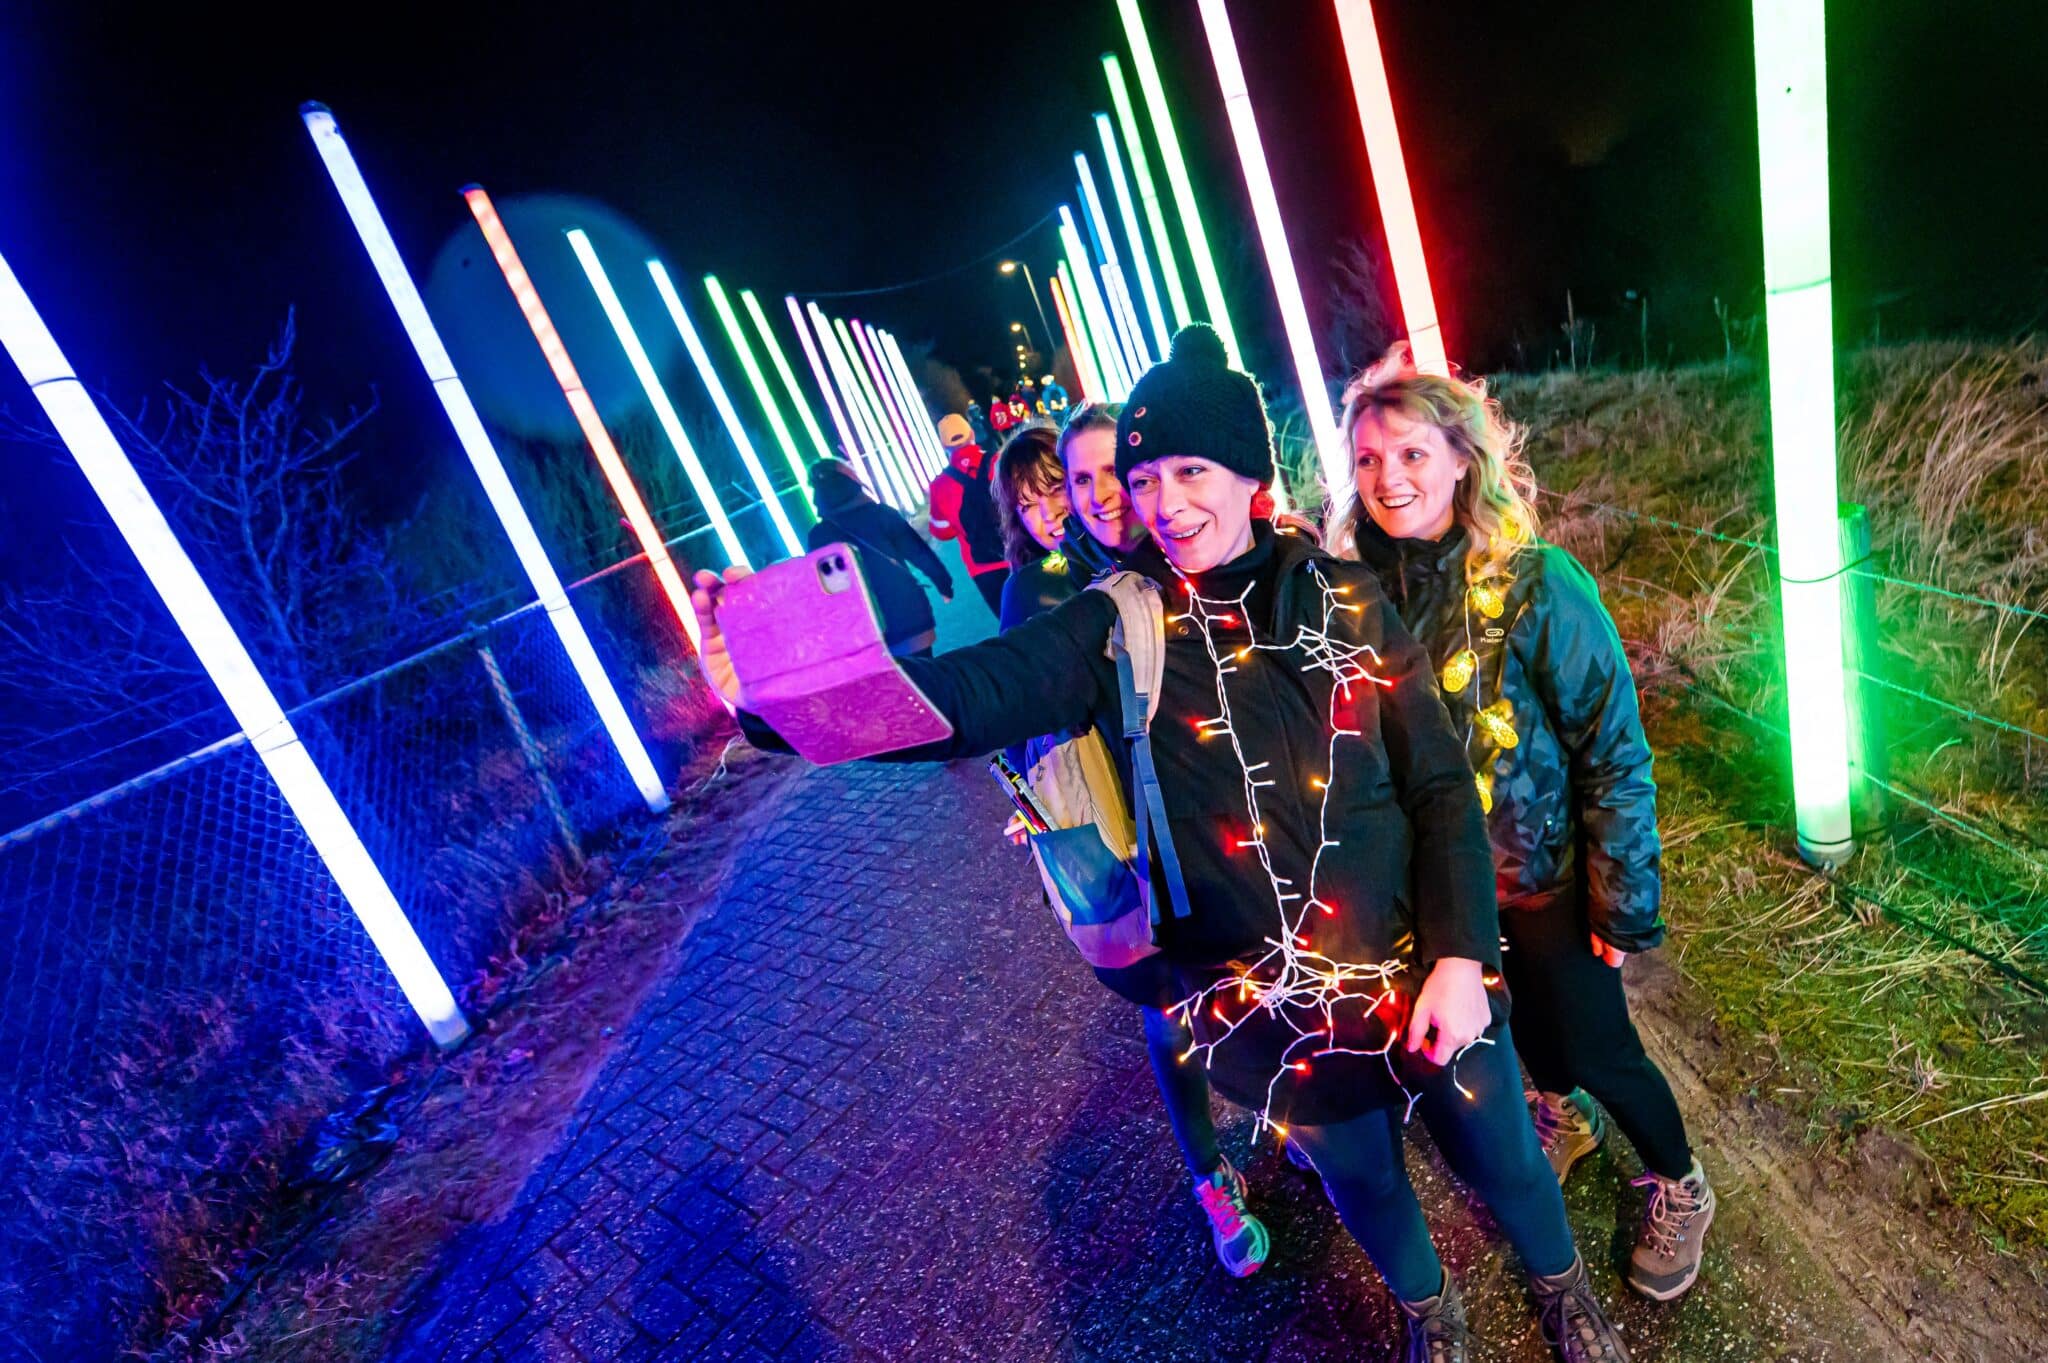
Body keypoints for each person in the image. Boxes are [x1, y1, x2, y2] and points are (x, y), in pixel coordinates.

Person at [694, 326, 1632, 1363]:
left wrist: (1461, 952)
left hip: (1416, 966)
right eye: (1143, 478)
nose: (1165, 502)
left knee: (1501, 1152)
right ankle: (1428, 1311)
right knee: (1361, 1179)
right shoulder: (1117, 622)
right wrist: (778, 705)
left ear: (1247, 476)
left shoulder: (1345, 595)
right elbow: (969, 698)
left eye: (1190, 469)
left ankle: (1562, 1289)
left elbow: (1442, 786)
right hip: (1265, 1005)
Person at [1333, 341, 1713, 1303]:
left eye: (1414, 453)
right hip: (1442, 897)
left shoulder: (1538, 583)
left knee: (1594, 1045)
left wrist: (1620, 902)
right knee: (1511, 1046)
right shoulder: (1348, 596)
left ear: (1463, 459)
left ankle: (1681, 1180)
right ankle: (1565, 1111)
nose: (1390, 479)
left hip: (1540, 879)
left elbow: (1613, 751)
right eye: (1370, 459)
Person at [991, 406, 1274, 1278]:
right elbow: (1003, 693)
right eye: (1073, 483)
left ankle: (1287, 1105)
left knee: (1255, 975)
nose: (1096, 495)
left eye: (1115, 471)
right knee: (1174, 1014)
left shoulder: (1176, 547)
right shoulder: (1047, 590)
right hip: (1122, 845)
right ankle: (1208, 1175)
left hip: (1218, 822)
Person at [807, 457, 952, 657]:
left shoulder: (819, 536)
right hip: (908, 615)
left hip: (865, 630)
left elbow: (825, 589)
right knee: (924, 672)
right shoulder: (881, 514)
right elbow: (918, 553)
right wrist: (944, 584)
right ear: (852, 482)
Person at [927, 414, 1012, 615]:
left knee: (1012, 624)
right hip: (1021, 551)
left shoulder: (939, 485)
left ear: (942, 445)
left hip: (983, 566)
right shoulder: (1000, 461)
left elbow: (942, 532)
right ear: (972, 434)